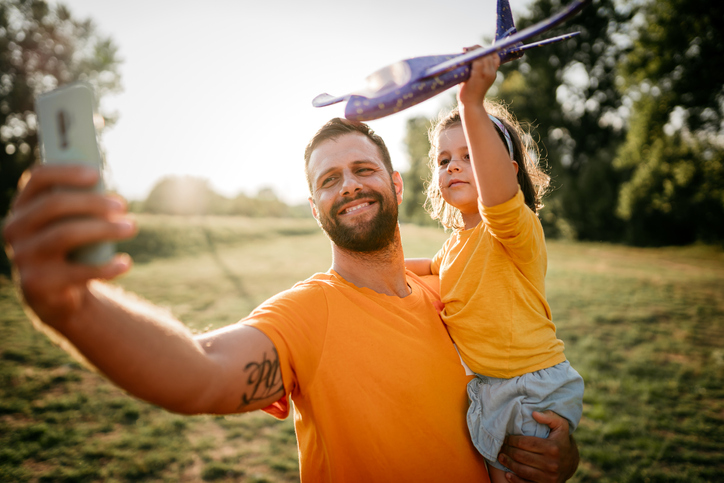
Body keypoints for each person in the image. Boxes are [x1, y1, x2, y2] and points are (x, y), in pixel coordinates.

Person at [3, 98, 580, 482]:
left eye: (363, 169)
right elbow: (201, 374)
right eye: (330, 180)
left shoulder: (443, 290)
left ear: (396, 183)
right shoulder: (309, 313)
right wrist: (73, 308)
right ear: (314, 206)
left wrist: (558, 453)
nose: (349, 185)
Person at [404, 52, 584, 482]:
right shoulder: (453, 246)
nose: (453, 166)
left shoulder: (511, 227)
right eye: (443, 160)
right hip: (489, 387)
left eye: (470, 154)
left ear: (509, 170)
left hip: (528, 386)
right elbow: (429, 267)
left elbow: (498, 197)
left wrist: (471, 105)